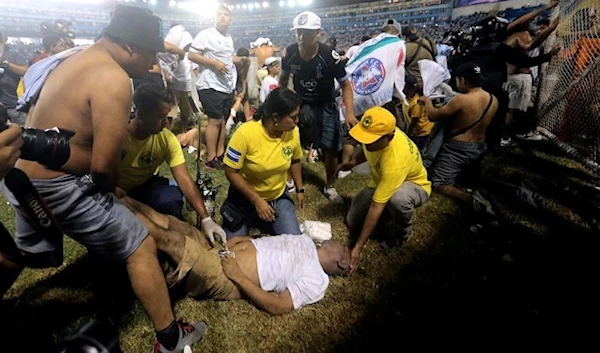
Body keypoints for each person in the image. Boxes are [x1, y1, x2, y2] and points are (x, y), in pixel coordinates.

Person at [0, 5, 206, 352]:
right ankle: (170, 338)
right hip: (58, 183)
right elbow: (101, 167)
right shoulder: (114, 78)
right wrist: (117, 196)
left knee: (25, 252)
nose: (153, 64)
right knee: (140, 244)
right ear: (129, 47)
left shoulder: (75, 58)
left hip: (22, 175)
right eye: (151, 53)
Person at [120, 196, 351, 315]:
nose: (340, 241)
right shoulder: (305, 242)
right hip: (220, 251)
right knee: (162, 219)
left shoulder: (318, 280)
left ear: (342, 260)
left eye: (344, 247)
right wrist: (237, 241)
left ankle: (110, 210)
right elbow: (266, 241)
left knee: (168, 239)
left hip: (224, 276)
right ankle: (115, 195)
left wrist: (237, 276)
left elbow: (278, 305)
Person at [118, 83, 225, 243]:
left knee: (170, 198)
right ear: (141, 114)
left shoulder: (166, 139)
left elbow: (184, 178)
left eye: (167, 117)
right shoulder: (118, 138)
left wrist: (205, 219)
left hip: (144, 186)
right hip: (114, 191)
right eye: (160, 118)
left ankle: (175, 239)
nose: (165, 124)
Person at [339, 107, 431, 273]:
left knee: (397, 199)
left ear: (389, 138)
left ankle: (404, 233)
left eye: (370, 140)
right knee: (352, 221)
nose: (366, 143)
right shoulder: (376, 136)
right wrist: (353, 162)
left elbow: (376, 207)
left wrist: (358, 247)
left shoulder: (395, 160)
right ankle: (389, 211)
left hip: (415, 185)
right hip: (382, 181)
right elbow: (366, 149)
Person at [280, 11, 356, 203]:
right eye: (298, 32)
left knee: (330, 147)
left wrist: (350, 113)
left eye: (306, 33)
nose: (300, 37)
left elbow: (346, 85)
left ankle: (330, 186)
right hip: (301, 104)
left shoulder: (330, 56)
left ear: (318, 34)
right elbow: (283, 79)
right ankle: (289, 180)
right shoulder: (289, 53)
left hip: (325, 105)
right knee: (291, 142)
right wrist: (282, 103)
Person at [221, 88, 305, 238]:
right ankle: (253, 215)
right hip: (244, 197)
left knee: (294, 241)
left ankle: (266, 215)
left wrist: (299, 189)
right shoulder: (245, 133)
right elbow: (230, 171)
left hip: (276, 196)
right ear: (275, 118)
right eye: (293, 117)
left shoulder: (293, 132)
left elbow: (295, 160)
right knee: (234, 248)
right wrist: (256, 200)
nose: (297, 121)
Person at [420, 63, 499, 215]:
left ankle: (473, 201)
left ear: (462, 80)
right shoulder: (492, 99)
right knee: (471, 179)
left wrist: (428, 101)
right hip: (479, 147)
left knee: (439, 183)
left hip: (457, 148)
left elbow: (432, 116)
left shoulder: (462, 100)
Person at [188, 4, 237, 170]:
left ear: (230, 19)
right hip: (210, 85)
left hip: (225, 86)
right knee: (214, 121)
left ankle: (220, 153)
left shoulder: (229, 38)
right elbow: (191, 55)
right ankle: (210, 157)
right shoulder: (206, 34)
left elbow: (228, 61)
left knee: (223, 121)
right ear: (215, 17)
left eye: (226, 14)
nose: (223, 17)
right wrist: (213, 63)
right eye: (220, 14)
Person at [504, 1, 559, 141]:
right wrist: (551, 28)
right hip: (519, 77)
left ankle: (508, 135)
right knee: (516, 110)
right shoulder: (521, 34)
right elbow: (530, 46)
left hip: (509, 76)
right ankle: (510, 136)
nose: (531, 22)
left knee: (511, 109)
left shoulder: (508, 36)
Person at [160, 24, 194, 132]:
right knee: (170, 109)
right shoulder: (171, 52)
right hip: (173, 82)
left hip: (184, 83)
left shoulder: (187, 53)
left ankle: (183, 130)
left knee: (185, 110)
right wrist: (167, 78)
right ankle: (168, 132)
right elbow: (164, 64)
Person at [0, 30, 28, 125]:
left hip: (12, 105)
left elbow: (26, 70)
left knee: (21, 134)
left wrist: (7, 64)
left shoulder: (13, 54)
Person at [403, 25, 437, 89]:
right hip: (431, 81)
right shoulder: (429, 42)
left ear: (404, 37)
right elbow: (435, 53)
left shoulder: (406, 49)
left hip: (415, 84)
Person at [404, 74, 433, 150]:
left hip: (424, 132)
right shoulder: (413, 97)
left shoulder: (416, 102)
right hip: (423, 131)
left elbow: (414, 122)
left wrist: (408, 135)